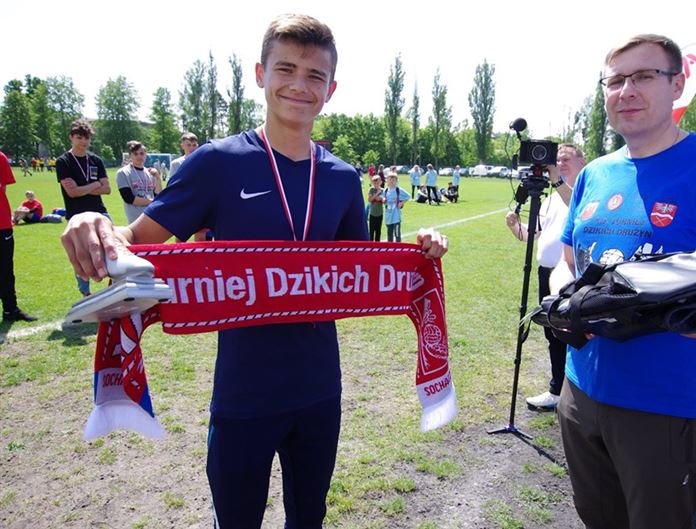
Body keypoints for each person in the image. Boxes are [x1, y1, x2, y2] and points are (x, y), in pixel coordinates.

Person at [60, 14, 448, 529]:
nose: (299, 85)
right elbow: (135, 238)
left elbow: (363, 271)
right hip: (243, 395)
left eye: (315, 75)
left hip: (319, 391)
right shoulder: (217, 163)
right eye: (285, 69)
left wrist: (423, 250)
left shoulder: (341, 177)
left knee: (309, 518)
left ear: (331, 90)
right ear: (260, 74)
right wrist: (91, 222)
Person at [556, 34, 696, 529]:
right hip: (580, 388)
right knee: (597, 519)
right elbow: (571, 257)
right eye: (615, 80)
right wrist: (566, 301)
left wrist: (695, 320)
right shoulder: (595, 174)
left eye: (644, 76)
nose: (626, 90)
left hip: (661, 403)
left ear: (676, 85)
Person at [505, 144, 585, 409]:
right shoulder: (550, 198)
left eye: (566, 159)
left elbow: (577, 206)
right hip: (546, 272)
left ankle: (575, 391)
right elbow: (533, 235)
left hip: (572, 274)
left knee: (574, 332)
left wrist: (557, 181)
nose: (560, 163)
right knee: (552, 332)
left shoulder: (583, 190)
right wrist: (515, 227)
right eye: (557, 159)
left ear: (582, 162)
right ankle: (557, 389)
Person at [55, 119, 111, 297]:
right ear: (71, 137)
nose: (84, 142)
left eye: (87, 138)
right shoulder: (63, 161)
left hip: (100, 212)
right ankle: (86, 293)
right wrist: (95, 184)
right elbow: (72, 193)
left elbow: (107, 189)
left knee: (112, 249)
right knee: (82, 254)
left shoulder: (96, 160)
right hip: (76, 216)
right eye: (79, 137)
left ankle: (115, 289)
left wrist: (82, 188)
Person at [0, 151, 37, 322]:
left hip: (2, 225)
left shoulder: (1, 158)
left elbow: (3, 188)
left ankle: (10, 310)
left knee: (6, 270)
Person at [116, 141, 162, 223]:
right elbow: (129, 198)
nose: (139, 156)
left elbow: (157, 195)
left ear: (145, 155)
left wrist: (158, 178)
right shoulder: (123, 173)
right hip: (135, 220)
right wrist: (153, 202)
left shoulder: (150, 172)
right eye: (135, 154)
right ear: (130, 155)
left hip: (152, 217)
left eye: (141, 153)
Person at [383, 172, 411, 242]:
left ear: (396, 181)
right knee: (389, 234)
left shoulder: (398, 190)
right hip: (388, 217)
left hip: (396, 217)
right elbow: (383, 199)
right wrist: (383, 200)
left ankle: (398, 247)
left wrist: (401, 202)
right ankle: (390, 247)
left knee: (397, 234)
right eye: (390, 180)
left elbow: (408, 196)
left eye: (393, 180)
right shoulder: (385, 191)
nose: (391, 181)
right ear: (387, 180)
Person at [367, 175, 384, 241]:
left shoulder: (383, 190)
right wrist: (377, 194)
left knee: (378, 231)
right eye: (374, 183)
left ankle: (377, 245)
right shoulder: (371, 189)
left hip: (380, 213)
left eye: (378, 182)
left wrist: (380, 198)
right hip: (372, 213)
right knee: (371, 231)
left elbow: (383, 200)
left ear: (381, 182)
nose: (376, 184)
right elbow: (369, 199)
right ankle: (371, 245)